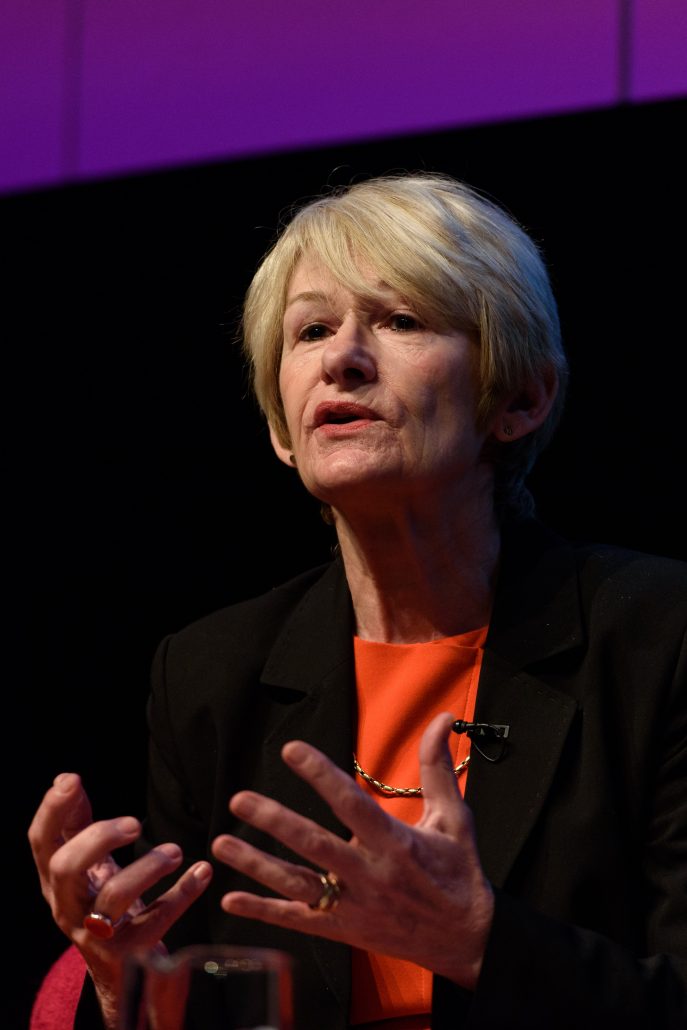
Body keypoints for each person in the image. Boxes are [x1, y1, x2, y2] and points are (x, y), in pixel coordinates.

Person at [29, 172, 687, 1029]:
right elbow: (212, 1004)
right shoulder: (210, 675)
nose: (341, 358)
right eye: (310, 330)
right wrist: (128, 983)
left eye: (401, 320)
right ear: (280, 426)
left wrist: (480, 943)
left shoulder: (657, 636)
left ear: (520, 399)